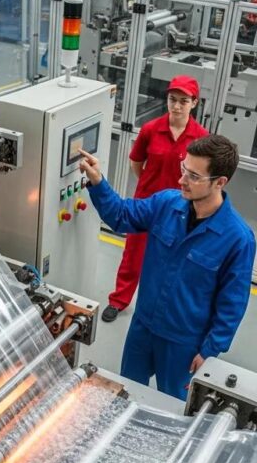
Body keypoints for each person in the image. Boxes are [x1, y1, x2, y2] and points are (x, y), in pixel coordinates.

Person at [79, 135, 255, 400]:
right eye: (185, 169)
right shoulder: (167, 204)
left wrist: (209, 350)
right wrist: (97, 181)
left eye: (194, 176)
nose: (182, 180)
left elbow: (232, 304)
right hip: (143, 327)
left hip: (183, 343)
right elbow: (122, 215)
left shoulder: (237, 238)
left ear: (220, 182)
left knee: (172, 407)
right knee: (124, 394)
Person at [102, 76, 208, 323]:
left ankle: (163, 309)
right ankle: (118, 300)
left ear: (194, 103)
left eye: (184, 101)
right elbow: (137, 163)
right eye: (173, 99)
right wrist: (150, 186)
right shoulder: (151, 129)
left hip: (181, 210)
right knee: (133, 255)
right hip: (147, 205)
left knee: (173, 260)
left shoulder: (201, 137)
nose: (177, 106)